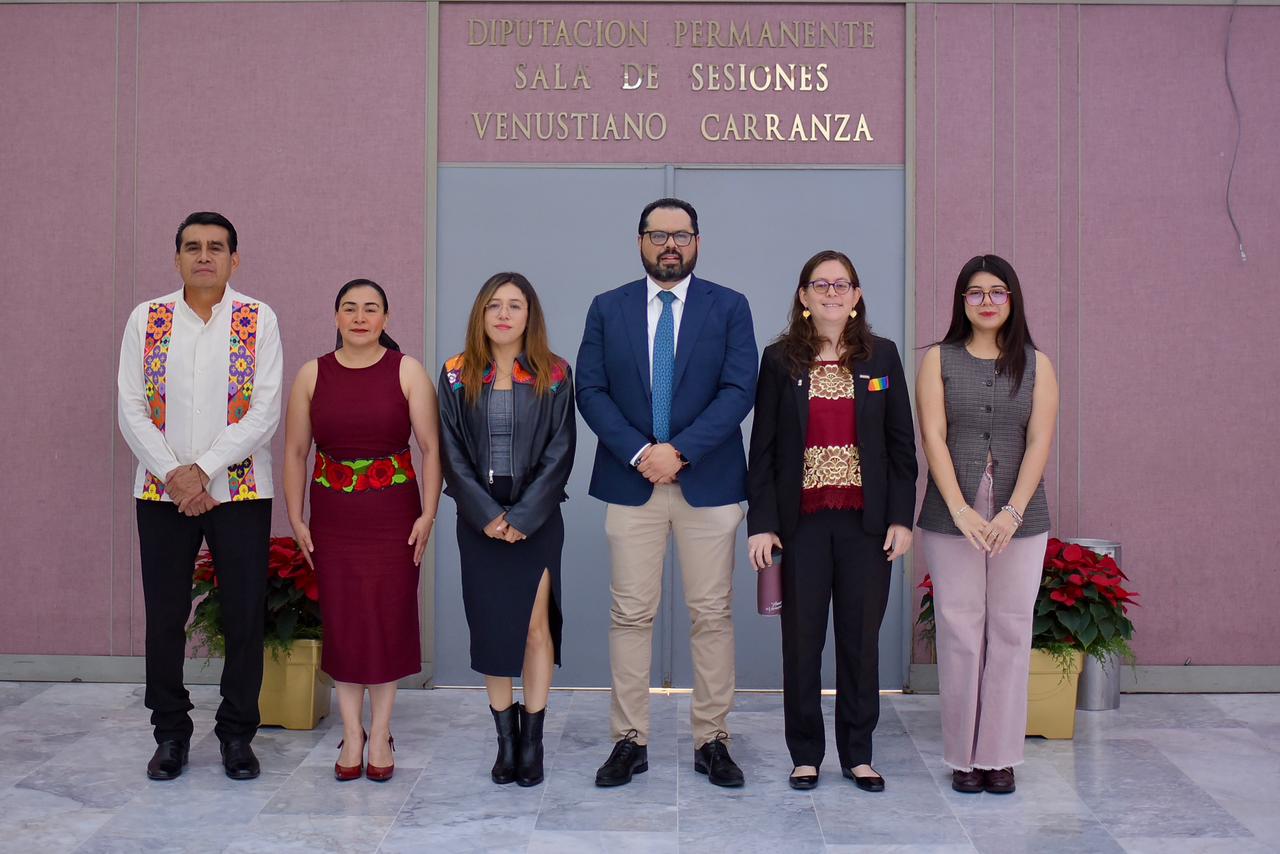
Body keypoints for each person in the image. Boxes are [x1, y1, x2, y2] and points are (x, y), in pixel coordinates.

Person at [577, 198, 757, 788]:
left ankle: (712, 740)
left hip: (708, 481)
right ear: (640, 242)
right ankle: (629, 739)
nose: (670, 245)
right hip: (632, 483)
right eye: (658, 235)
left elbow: (739, 389)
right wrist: (641, 453)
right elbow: (591, 390)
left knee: (713, 614)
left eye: (681, 235)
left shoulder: (729, 306)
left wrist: (678, 452)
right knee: (630, 615)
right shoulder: (607, 308)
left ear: (698, 242)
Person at [117, 211, 283, 781]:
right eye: (193, 247)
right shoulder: (148, 319)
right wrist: (175, 474)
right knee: (165, 614)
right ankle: (170, 733)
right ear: (177, 258)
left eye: (216, 247)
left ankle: (237, 734)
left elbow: (264, 411)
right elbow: (131, 407)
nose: (204, 256)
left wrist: (204, 470)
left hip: (240, 490)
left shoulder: (258, 319)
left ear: (235, 259)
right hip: (161, 491)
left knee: (244, 614)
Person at [746, 250, 917, 792]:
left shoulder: (882, 356)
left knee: (860, 641)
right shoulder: (780, 360)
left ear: (857, 295)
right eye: (820, 284)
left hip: (867, 525)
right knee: (801, 642)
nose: (832, 293)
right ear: (803, 296)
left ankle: (858, 754)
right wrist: (762, 522)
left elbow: (901, 446)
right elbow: (763, 449)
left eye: (842, 284)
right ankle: (805, 754)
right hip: (801, 525)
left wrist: (901, 517)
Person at [282, 278, 442, 783]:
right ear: (336, 317)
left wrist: (429, 513)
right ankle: (353, 733)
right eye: (349, 308)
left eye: (370, 309)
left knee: (386, 618)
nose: (359, 317)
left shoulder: (407, 370)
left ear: (385, 319)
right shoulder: (312, 374)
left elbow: (431, 449)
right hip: (334, 519)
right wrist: (296, 516)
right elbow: (296, 452)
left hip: (395, 516)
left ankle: (382, 732)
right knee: (345, 621)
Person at [915, 254, 1058, 795]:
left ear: (1013, 299)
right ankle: (963, 757)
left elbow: (1039, 441)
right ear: (962, 301)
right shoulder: (939, 359)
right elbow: (933, 436)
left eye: (998, 292)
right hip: (952, 513)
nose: (987, 301)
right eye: (975, 293)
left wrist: (1012, 512)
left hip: (1021, 514)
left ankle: (999, 755)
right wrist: (960, 509)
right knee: (959, 628)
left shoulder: (1037, 364)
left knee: (1011, 629)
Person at [438, 273, 575, 788]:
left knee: (536, 629)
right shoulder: (455, 374)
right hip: (478, 521)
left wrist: (521, 517)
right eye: (494, 305)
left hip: (536, 520)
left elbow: (561, 450)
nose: (503, 314)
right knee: (493, 632)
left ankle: (533, 743)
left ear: (529, 315)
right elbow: (450, 450)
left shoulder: (555, 373)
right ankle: (506, 742)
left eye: (514, 305)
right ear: (481, 313)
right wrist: (487, 515)